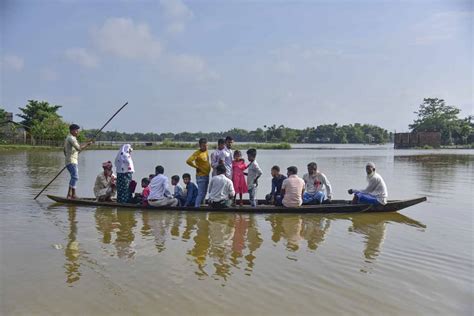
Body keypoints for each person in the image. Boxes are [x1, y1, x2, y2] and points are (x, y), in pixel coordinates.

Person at [64, 124, 91, 199]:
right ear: (72, 130)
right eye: (76, 130)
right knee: (75, 177)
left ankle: (70, 194)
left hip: (70, 160)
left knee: (74, 177)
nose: (77, 132)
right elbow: (79, 148)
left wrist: (69, 155)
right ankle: (72, 194)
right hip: (71, 161)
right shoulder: (71, 138)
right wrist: (87, 144)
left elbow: (64, 150)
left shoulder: (68, 138)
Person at [186, 138, 211, 207]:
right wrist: (196, 167)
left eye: (206, 145)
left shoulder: (206, 151)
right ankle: (196, 207)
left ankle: (201, 205)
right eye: (203, 146)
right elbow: (188, 161)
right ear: (200, 146)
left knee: (204, 193)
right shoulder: (197, 153)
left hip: (206, 175)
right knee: (200, 193)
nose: (205, 147)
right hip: (201, 176)